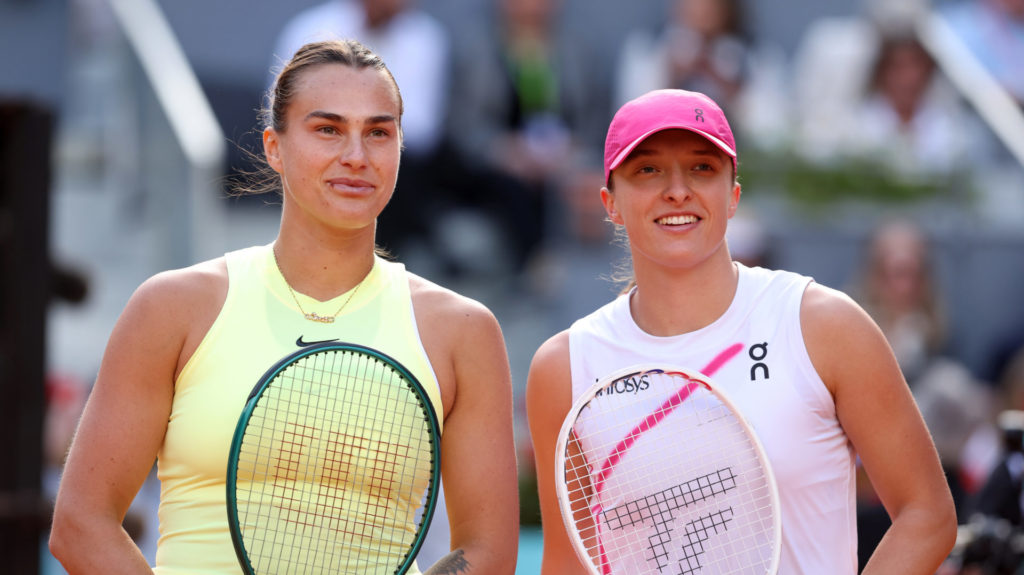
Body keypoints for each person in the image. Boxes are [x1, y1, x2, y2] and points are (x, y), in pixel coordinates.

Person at [49, 39, 519, 574]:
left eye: (379, 132)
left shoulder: (463, 330)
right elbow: (82, 522)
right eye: (328, 129)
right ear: (274, 146)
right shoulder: (172, 307)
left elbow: (487, 553)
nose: (356, 156)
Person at [525, 88, 957, 574]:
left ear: (733, 196)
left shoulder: (824, 325)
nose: (677, 190)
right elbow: (568, 563)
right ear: (611, 203)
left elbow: (927, 515)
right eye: (647, 169)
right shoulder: (563, 367)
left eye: (702, 168)